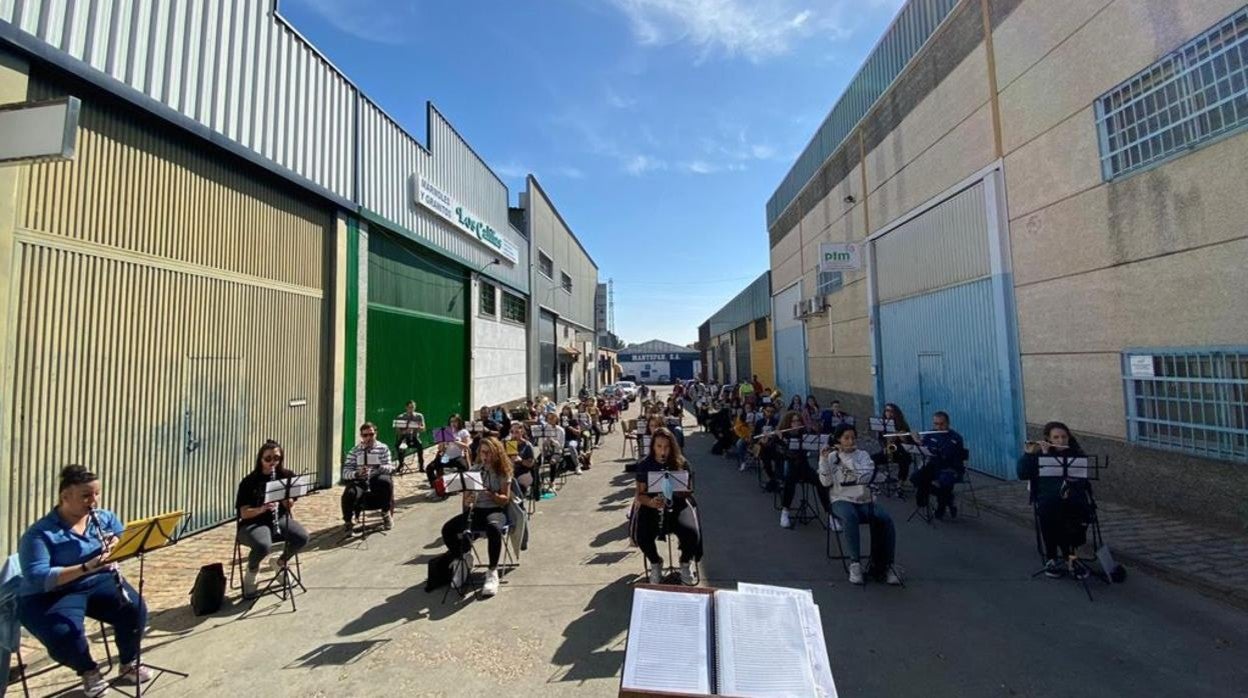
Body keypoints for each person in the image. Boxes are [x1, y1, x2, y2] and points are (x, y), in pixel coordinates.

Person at [18, 465, 152, 696]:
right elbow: (38, 576)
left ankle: (128, 663)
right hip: (50, 594)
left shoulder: (104, 518)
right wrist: (86, 566)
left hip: (96, 580)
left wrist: (117, 547)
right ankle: (88, 671)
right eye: (86, 496)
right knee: (65, 634)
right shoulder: (40, 533)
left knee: (135, 609)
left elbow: (125, 540)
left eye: (96, 494)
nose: (94, 501)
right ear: (65, 497)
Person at [818, 426, 901, 586]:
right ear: (838, 440)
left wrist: (847, 458)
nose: (850, 441)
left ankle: (888, 565)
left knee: (885, 519)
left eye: (853, 438)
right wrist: (823, 460)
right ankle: (855, 564)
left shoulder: (862, 455)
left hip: (865, 499)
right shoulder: (831, 457)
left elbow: (865, 475)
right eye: (846, 438)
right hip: (841, 498)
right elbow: (825, 482)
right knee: (850, 517)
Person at [439, 437, 513, 597]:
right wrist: (467, 500)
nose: (485, 456)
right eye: (483, 452)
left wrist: (490, 493)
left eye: (489, 453)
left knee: (493, 528)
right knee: (448, 529)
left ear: (496, 453)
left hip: (495, 510)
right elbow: (465, 498)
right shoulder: (474, 470)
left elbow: (504, 500)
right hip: (477, 510)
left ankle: (492, 571)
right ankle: (463, 558)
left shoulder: (502, 471)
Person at [1017, 422, 1093, 579]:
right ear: (1048, 438)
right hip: (1048, 499)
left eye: (1064, 437)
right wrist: (1030, 454)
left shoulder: (1076, 455)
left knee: (1076, 517)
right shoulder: (1039, 454)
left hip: (1073, 499)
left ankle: (1070, 556)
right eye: (1056, 437)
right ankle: (1052, 558)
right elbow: (1023, 474)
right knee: (1050, 513)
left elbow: (1082, 481)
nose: (1060, 441)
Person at [235, 440, 310, 598]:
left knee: (302, 537)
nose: (272, 462)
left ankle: (280, 563)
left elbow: (290, 504)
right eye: (268, 459)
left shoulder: (286, 476)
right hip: (253, 523)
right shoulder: (249, 482)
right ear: (260, 459)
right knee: (263, 545)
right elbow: (243, 513)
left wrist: (287, 501)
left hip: (279, 519)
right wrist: (261, 509)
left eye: (276, 458)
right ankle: (252, 571)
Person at [630, 427, 701, 585]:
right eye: (659, 446)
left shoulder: (681, 462)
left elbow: (688, 490)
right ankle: (656, 562)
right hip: (652, 506)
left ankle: (685, 563)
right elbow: (640, 494)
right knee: (642, 535)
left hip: (677, 505)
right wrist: (651, 502)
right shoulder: (644, 465)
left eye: (667, 447)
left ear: (673, 446)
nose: (663, 451)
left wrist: (679, 491)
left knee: (692, 533)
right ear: (653, 447)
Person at [778, 412, 832, 530]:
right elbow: (785, 455)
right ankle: (785, 511)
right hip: (791, 467)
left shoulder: (804, 435)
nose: (796, 423)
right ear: (788, 423)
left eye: (798, 421)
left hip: (804, 467)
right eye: (793, 421)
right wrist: (781, 440)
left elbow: (806, 452)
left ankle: (830, 515)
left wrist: (815, 432)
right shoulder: (783, 435)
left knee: (821, 481)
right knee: (789, 482)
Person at [341, 422, 395, 533]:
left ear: (376, 434)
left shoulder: (383, 448)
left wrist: (379, 466)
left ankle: (385, 513)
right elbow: (345, 472)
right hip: (361, 480)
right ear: (361, 436)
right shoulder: (355, 451)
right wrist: (356, 473)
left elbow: (390, 467)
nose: (368, 438)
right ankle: (348, 521)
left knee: (386, 483)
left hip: (376, 476)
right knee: (349, 493)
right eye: (365, 435)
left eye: (371, 434)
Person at [913, 411, 966, 519]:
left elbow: (953, 456)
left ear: (948, 423)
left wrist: (938, 452)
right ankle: (947, 498)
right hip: (934, 465)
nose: (939, 427)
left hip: (950, 468)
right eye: (936, 424)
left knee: (945, 481)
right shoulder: (931, 434)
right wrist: (916, 441)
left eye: (941, 424)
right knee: (916, 478)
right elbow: (923, 447)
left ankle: (941, 506)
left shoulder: (955, 438)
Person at [873, 403, 914, 495]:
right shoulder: (882, 425)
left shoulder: (902, 425)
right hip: (888, 451)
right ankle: (878, 479)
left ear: (896, 413)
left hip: (900, 451)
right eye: (887, 411)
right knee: (871, 460)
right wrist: (884, 446)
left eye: (891, 411)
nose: (889, 413)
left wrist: (901, 437)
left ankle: (900, 484)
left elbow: (909, 442)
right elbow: (881, 439)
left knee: (905, 461)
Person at [433, 415, 472, 489]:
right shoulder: (445, 431)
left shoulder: (463, 431)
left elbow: (466, 446)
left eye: (455, 421)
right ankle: (439, 486)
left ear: (459, 422)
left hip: (458, 455)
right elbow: (440, 449)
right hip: (447, 456)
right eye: (451, 421)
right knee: (435, 465)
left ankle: (461, 484)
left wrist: (454, 440)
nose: (453, 423)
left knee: (464, 467)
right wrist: (443, 444)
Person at [753, 404, 783, 491]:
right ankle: (773, 480)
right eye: (768, 411)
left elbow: (779, 438)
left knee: (780, 459)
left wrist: (777, 434)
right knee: (766, 464)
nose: (769, 413)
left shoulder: (776, 422)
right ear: (764, 411)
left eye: (772, 412)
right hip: (763, 448)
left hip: (773, 447)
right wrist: (761, 440)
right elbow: (755, 436)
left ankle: (777, 479)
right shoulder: (759, 422)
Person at [505, 423, 537, 499]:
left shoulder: (527, 445)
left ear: (522, 432)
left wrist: (521, 460)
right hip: (511, 472)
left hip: (524, 472)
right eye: (512, 432)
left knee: (514, 482)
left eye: (516, 432)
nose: (514, 435)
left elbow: (531, 464)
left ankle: (519, 502)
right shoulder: (508, 444)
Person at [394, 400, 426, 475]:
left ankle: (421, 465)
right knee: (398, 446)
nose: (411, 409)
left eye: (413, 407)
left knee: (420, 446)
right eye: (409, 407)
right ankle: (401, 464)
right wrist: (405, 431)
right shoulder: (401, 417)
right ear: (406, 407)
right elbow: (397, 431)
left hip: (414, 436)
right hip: (404, 437)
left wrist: (417, 427)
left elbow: (423, 428)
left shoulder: (419, 416)